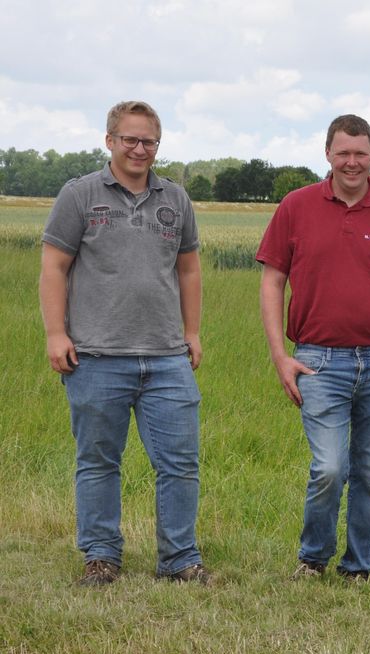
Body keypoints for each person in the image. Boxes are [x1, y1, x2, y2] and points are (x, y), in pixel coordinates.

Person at [257, 114, 370, 583]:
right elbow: (273, 280)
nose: (352, 162)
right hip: (318, 362)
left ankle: (358, 566)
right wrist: (280, 356)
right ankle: (313, 557)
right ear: (328, 154)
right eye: (343, 153)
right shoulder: (296, 207)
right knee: (329, 467)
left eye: (361, 153)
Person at [39, 100, 210, 586]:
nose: (139, 149)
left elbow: (189, 269)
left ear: (158, 145)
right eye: (130, 139)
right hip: (95, 356)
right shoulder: (79, 195)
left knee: (180, 463)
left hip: (167, 356)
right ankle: (101, 557)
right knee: (98, 462)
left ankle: (179, 559)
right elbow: (54, 267)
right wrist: (56, 333)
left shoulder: (175, 199)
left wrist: (192, 332)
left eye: (149, 141)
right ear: (110, 140)